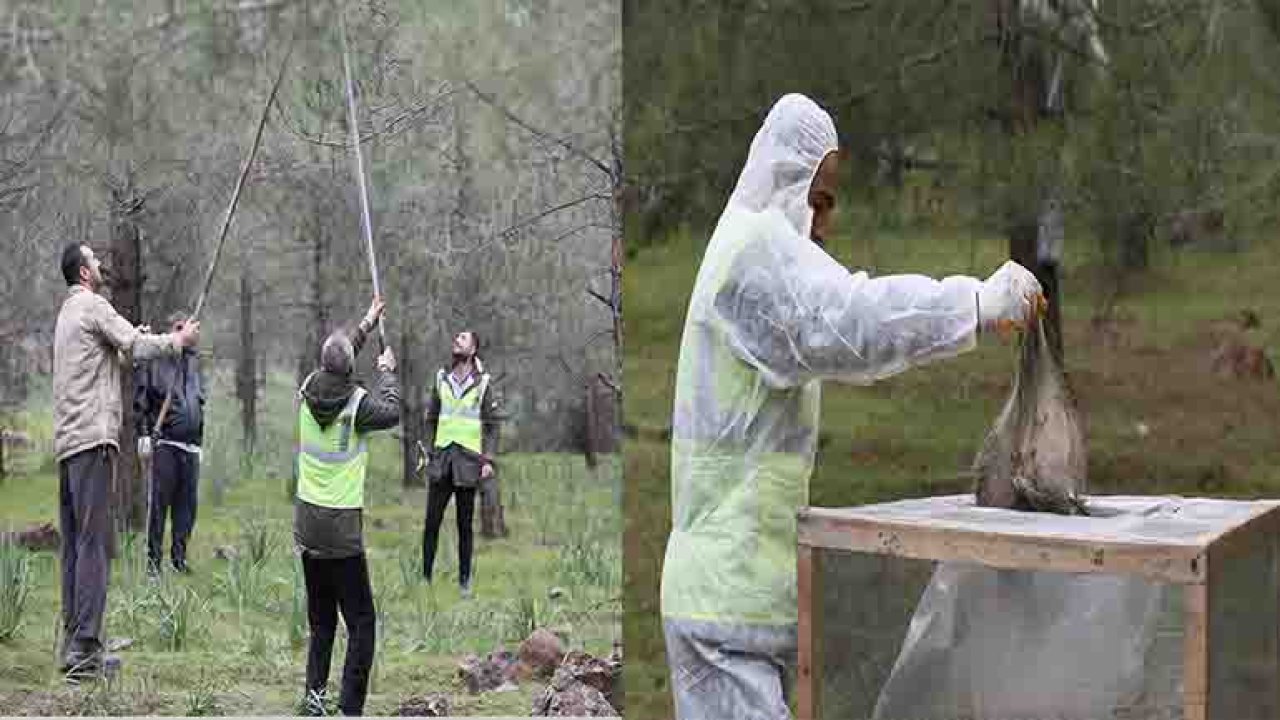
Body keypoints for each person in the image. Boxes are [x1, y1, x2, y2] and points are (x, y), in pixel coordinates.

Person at [658, 94, 1045, 720]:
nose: (825, 221)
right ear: (786, 180)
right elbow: (850, 321)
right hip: (722, 609)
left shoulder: (755, 251)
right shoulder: (753, 256)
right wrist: (976, 305)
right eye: (819, 199)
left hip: (747, 599)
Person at [53, 243, 200, 680]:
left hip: (68, 445)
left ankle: (73, 645)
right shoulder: (93, 306)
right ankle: (86, 654)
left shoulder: (67, 316)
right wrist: (178, 341)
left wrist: (132, 341)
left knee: (76, 547)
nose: (100, 264)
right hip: (93, 442)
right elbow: (136, 347)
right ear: (84, 272)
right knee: (95, 545)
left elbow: (110, 357)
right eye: (94, 259)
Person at [293, 298, 399, 716]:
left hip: (307, 525)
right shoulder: (357, 405)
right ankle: (349, 708)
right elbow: (391, 412)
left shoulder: (306, 387)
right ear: (351, 367)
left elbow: (338, 357)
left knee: (321, 623)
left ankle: (314, 698)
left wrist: (366, 324)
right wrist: (388, 373)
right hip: (341, 530)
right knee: (362, 623)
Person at [420, 329, 499, 598]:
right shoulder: (441, 379)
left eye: (463, 339)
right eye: (456, 338)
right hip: (441, 462)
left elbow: (491, 425)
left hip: (468, 465)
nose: (456, 341)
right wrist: (428, 451)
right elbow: (431, 418)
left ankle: (465, 584)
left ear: (473, 349)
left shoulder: (483, 383)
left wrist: (488, 459)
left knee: (464, 526)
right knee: (431, 523)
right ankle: (425, 579)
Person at [134, 311, 206, 575]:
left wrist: (200, 441)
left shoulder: (195, 363)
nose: (187, 332)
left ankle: (179, 558)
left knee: (187, 507)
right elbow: (142, 396)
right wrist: (143, 434)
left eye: (186, 326)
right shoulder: (156, 359)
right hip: (164, 442)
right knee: (159, 505)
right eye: (179, 327)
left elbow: (200, 402)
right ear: (172, 331)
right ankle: (153, 563)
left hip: (190, 446)